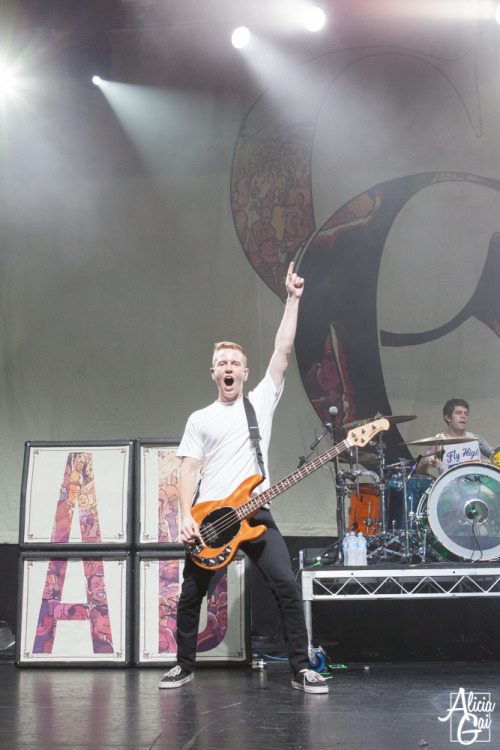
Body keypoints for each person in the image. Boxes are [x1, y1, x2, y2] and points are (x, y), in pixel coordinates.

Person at [158, 262, 328, 694]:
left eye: (235, 362)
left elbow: (283, 351)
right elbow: (187, 470)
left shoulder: (259, 403)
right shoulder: (200, 418)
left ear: (245, 373)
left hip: (256, 515)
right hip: (211, 519)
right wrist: (184, 517)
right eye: (222, 363)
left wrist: (292, 299)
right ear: (213, 372)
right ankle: (184, 664)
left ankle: (301, 668)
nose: (229, 367)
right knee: (190, 597)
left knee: (287, 587)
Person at [416, 398, 493, 476]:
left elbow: (496, 456)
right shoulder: (438, 443)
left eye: (466, 413)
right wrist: (425, 462)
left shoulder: (476, 439)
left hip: (477, 486)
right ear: (448, 417)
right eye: (458, 413)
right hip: (450, 487)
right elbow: (418, 472)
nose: (463, 416)